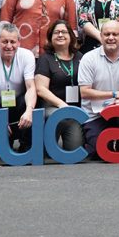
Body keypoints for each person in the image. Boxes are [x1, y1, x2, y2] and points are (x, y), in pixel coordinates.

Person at [78, 20, 119, 159]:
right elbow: (84, 92)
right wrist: (113, 94)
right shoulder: (88, 58)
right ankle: (89, 139)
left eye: (115, 34)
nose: (111, 38)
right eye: (107, 34)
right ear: (101, 36)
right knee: (98, 152)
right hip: (96, 114)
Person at [0, 22, 37, 152]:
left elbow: (31, 87)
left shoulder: (27, 56)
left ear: (19, 42)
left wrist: (29, 111)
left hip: (19, 102)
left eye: (13, 42)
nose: (9, 46)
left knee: (31, 104)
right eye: (5, 42)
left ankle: (26, 144)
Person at [34, 20, 84, 151]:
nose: (60, 35)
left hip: (76, 110)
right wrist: (62, 105)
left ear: (71, 37)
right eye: (56, 32)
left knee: (74, 151)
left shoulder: (80, 57)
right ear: (51, 37)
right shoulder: (46, 59)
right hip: (52, 108)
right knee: (47, 154)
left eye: (64, 32)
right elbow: (40, 89)